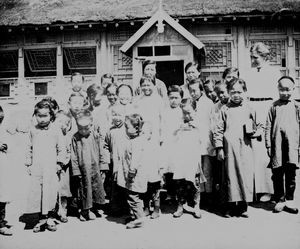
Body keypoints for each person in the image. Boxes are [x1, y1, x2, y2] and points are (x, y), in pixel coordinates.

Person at [214, 78, 263, 218]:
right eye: (233, 92)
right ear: (228, 92)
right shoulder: (225, 109)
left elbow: (260, 126)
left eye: (239, 92)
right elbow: (218, 130)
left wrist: (256, 133)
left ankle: (243, 206)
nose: (236, 95)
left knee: (245, 175)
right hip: (229, 149)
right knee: (230, 177)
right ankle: (229, 206)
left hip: (245, 148)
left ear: (245, 92)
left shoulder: (250, 109)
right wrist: (219, 148)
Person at [245, 42, 282, 202]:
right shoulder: (249, 73)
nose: (253, 61)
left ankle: (268, 189)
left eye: (255, 58)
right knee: (253, 151)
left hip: (267, 108)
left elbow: (276, 97)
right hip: (252, 108)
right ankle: (254, 189)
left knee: (265, 151)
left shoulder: (274, 73)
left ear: (265, 57)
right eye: (252, 58)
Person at [25, 100, 65, 232]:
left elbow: (61, 148)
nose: (42, 119)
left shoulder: (56, 129)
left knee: (51, 192)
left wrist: (59, 163)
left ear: (51, 116)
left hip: (50, 167)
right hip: (37, 167)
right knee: (37, 193)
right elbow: (28, 148)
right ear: (35, 115)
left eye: (45, 116)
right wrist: (28, 163)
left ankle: (49, 218)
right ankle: (39, 219)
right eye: (39, 115)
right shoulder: (32, 130)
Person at [265, 76, 299, 214]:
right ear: (277, 89)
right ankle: (280, 200)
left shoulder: (297, 106)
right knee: (277, 174)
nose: (285, 93)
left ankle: (290, 200)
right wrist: (268, 145)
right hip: (277, 146)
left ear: (293, 89)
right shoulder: (273, 106)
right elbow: (268, 126)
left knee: (291, 174)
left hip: (292, 146)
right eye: (282, 89)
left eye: (288, 89)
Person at [134, 76, 165, 219]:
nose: (146, 88)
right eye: (143, 85)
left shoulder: (159, 100)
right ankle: (146, 206)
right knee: (143, 176)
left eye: (149, 85)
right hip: (142, 139)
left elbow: (163, 120)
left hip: (155, 140)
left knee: (154, 177)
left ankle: (157, 208)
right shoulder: (138, 101)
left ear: (154, 85)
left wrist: (161, 138)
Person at [71, 110, 109, 221]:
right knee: (84, 190)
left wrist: (103, 166)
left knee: (96, 188)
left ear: (91, 125)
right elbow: (73, 156)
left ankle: (93, 209)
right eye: (80, 128)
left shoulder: (96, 136)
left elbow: (102, 151)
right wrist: (76, 170)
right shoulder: (75, 138)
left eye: (86, 128)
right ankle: (84, 211)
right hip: (83, 170)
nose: (83, 131)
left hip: (95, 168)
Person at [171, 98, 206, 219]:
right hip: (181, 158)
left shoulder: (199, 124)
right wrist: (178, 129)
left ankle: (196, 206)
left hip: (193, 158)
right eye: (184, 112)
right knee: (180, 183)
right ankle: (180, 205)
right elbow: (172, 138)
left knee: (195, 183)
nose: (187, 115)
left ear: (195, 110)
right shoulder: (178, 123)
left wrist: (197, 128)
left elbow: (204, 140)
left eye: (189, 112)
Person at [114, 113, 148, 229]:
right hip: (128, 173)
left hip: (133, 175)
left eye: (127, 127)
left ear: (137, 128)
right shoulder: (131, 139)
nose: (125, 130)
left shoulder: (137, 142)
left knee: (133, 196)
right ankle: (135, 215)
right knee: (131, 195)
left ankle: (139, 218)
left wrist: (131, 172)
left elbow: (135, 160)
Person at [188, 78, 215, 206]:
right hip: (193, 141)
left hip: (206, 140)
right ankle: (197, 197)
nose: (193, 93)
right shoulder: (189, 103)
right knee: (196, 171)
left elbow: (211, 123)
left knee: (207, 170)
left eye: (195, 90)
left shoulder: (208, 103)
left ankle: (208, 197)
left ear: (201, 90)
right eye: (190, 91)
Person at [163, 85, 184, 201]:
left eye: (176, 98)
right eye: (171, 98)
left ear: (181, 98)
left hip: (179, 143)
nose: (174, 100)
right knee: (168, 169)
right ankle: (169, 193)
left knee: (178, 169)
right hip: (167, 143)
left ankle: (179, 195)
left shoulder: (182, 112)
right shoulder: (165, 112)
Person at [55, 110, 73, 223]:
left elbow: (69, 152)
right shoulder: (52, 134)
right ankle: (53, 211)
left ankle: (63, 211)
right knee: (53, 190)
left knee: (63, 191)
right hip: (52, 166)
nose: (62, 124)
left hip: (63, 168)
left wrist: (63, 163)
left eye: (66, 123)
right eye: (60, 121)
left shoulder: (68, 136)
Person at [0, 105, 13, 236]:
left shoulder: (3, 131)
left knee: (2, 194)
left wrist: (5, 146)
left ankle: (1, 222)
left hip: (1, 166)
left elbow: (9, 146)